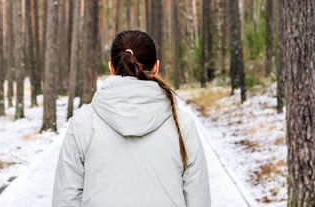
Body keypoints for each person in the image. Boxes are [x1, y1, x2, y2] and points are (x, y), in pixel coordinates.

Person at [52, 30, 211, 207]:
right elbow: (199, 197)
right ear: (156, 66)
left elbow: (65, 199)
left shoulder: (83, 122)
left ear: (111, 68)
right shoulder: (181, 123)